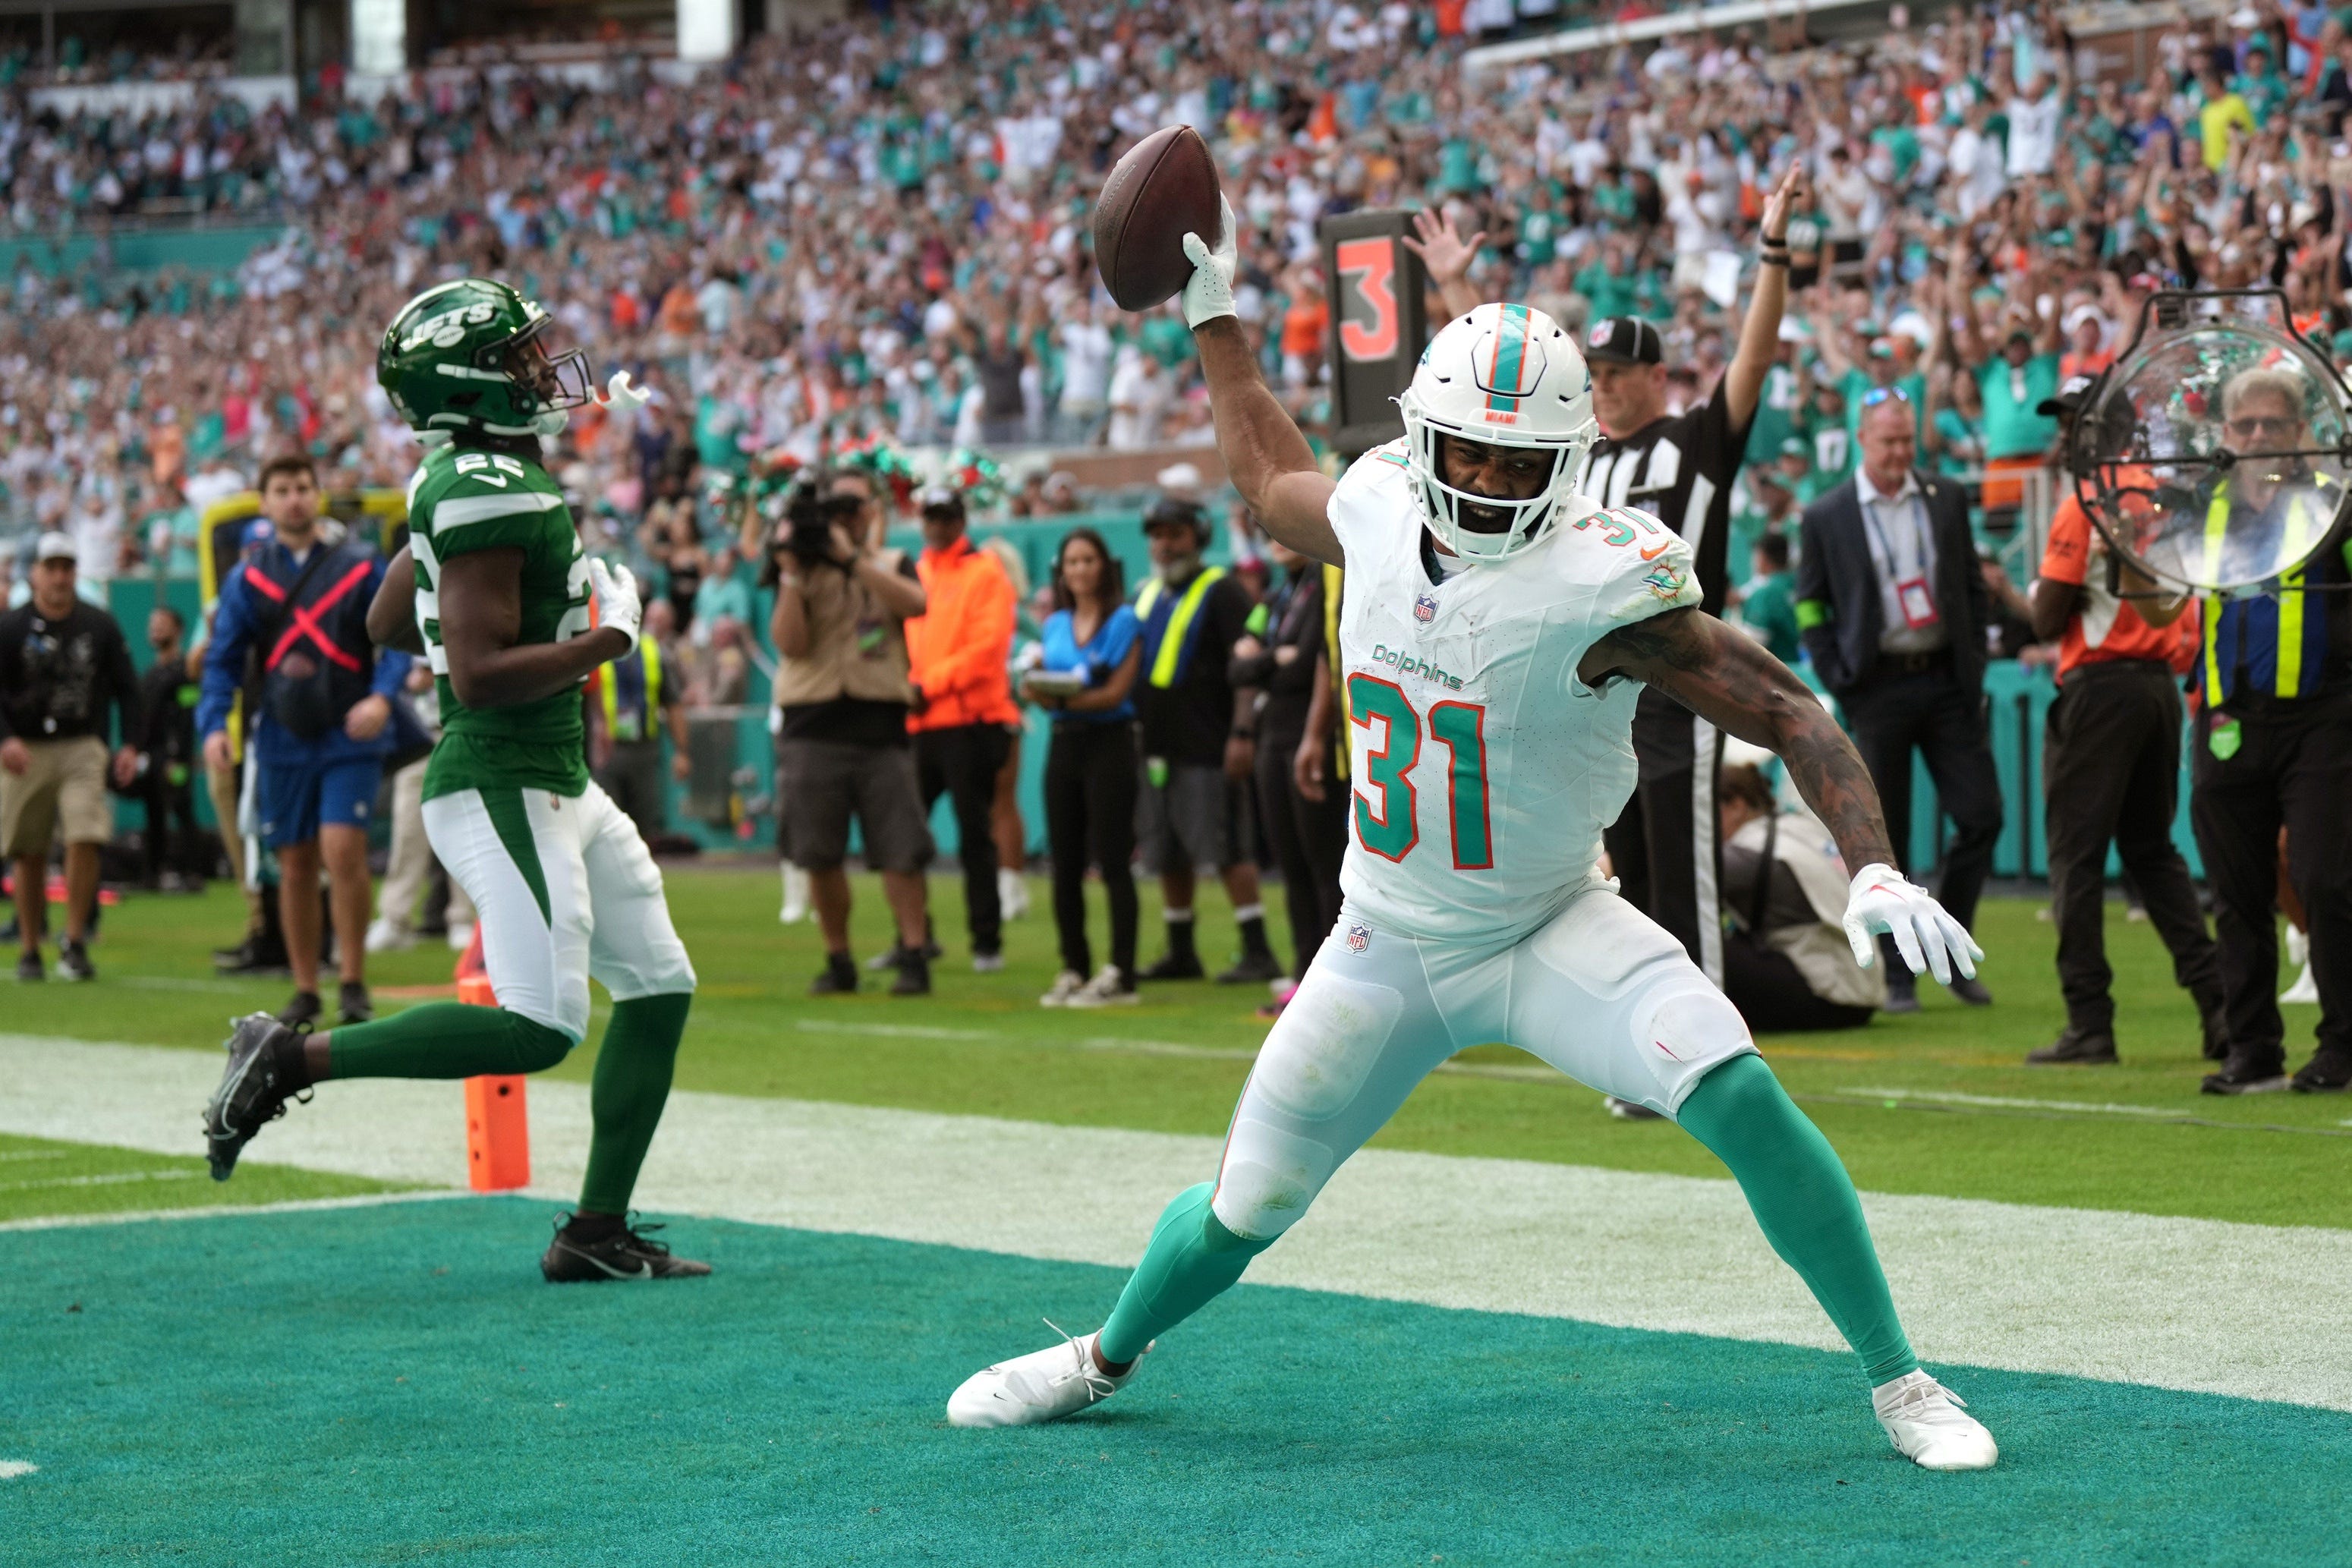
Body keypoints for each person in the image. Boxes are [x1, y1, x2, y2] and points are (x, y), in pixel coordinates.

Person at [945, 243, 1996, 1472]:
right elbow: (1268, 470)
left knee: (1740, 1093)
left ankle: (1900, 1378)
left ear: (1571, 462)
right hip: (1385, 933)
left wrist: (1867, 861)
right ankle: (1101, 1355)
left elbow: (1786, 710)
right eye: (1471, 452)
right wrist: (1213, 314)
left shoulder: (1607, 576)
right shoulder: (1382, 503)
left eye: (1520, 459)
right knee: (1248, 1204)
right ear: (1424, 438)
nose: (1490, 479)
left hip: (1552, 921)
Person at [204, 277, 707, 1283]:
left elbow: (383, 621)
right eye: (518, 354)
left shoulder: (466, 471)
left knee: (658, 986)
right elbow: (472, 672)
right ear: (468, 381)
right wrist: (605, 633)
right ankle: (285, 1056)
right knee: (536, 1026)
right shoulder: (487, 482)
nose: (541, 368)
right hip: (500, 776)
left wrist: (457, 575)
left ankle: (593, 1231)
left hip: (551, 773)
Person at [1569, 164, 1803, 999]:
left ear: (1657, 376)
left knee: (1684, 877)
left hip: (1681, 683)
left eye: (1615, 372)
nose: (1601, 383)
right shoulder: (1580, 461)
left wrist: (1772, 250)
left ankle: (1704, 1048)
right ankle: (1647, 1045)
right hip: (1603, 696)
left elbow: (1755, 355)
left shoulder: (1696, 442)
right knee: (1620, 881)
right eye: (1593, 372)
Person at [2023, 374, 2225, 1066]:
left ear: (2103, 430)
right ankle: (2218, 1006)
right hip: (2156, 690)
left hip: (2099, 686)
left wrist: (2011, 594)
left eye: (2073, 423)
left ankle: (2089, 1022)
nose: (2062, 437)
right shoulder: (2161, 496)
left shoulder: (2086, 500)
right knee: (2153, 854)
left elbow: (2048, 616)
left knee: (2074, 859)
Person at [1795, 389, 2001, 1013]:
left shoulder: (1945, 497)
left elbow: (1968, 582)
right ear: (1861, 439)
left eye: (1906, 440)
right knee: (1888, 838)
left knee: (1981, 816)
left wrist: (1974, 663)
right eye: (1887, 440)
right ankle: (1898, 974)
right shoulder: (1825, 515)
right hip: (1876, 686)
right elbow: (1810, 606)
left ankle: (1951, 947)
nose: (1898, 452)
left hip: (1944, 680)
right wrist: (1840, 674)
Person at [2175, 367, 2350, 1094]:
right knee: (2234, 890)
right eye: (2242, 426)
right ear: (2222, 434)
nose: (2255, 438)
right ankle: (2251, 1048)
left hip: (2322, 716)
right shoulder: (2200, 504)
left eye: (2271, 426)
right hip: (2223, 717)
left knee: (2324, 878)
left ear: (2299, 433)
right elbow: (2161, 604)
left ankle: (2342, 1044)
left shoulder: (2334, 503)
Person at [197, 453, 411, 1028]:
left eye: (303, 487)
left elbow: (394, 640)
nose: (294, 498)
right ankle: (306, 987)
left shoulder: (362, 566)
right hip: (283, 737)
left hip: (351, 733)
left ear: (317, 495)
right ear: (264, 502)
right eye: (282, 489)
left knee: (343, 851)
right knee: (293, 864)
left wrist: (382, 697)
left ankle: (353, 981)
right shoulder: (250, 577)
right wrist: (215, 725)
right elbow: (222, 660)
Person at [767, 468, 935, 996]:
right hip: (812, 723)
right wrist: (792, 572)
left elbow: (916, 604)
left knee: (900, 849)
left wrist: (852, 560)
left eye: (853, 505)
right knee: (818, 852)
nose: (844, 515)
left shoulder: (888, 563)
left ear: (870, 513)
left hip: (879, 724)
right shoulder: (799, 568)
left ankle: (913, 952)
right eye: (835, 507)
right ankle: (838, 958)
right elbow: (789, 644)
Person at [1130, 495, 1282, 985]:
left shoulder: (1222, 591)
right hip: (1158, 746)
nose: (1164, 546)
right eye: (1157, 536)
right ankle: (1180, 951)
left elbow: (1245, 666)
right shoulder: (1151, 593)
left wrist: (1241, 732)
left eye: (1173, 535)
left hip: (1208, 742)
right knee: (1166, 850)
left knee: (1226, 850)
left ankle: (1257, 949)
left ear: (1197, 537)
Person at [0, 531, 140, 981]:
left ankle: (75, 940)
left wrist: (131, 744)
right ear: (35, 574)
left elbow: (128, 688)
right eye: (52, 568)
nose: (60, 577)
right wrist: (5, 739)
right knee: (29, 850)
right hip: (27, 748)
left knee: (85, 834)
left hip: (83, 744)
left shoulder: (99, 624)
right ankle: (28, 947)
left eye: (67, 568)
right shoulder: (11, 627)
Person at [1024, 527, 1144, 1007]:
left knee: (1114, 859)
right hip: (1064, 743)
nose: (1079, 570)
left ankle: (1121, 972)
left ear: (1105, 566)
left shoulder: (1124, 620)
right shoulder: (1054, 625)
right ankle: (1074, 965)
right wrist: (1041, 693)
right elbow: (1034, 685)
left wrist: (1058, 700)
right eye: (1071, 562)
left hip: (1109, 743)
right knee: (1065, 861)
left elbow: (1116, 693)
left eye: (1088, 560)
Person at [905, 482, 1019, 972]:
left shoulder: (984, 572)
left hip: (967, 721)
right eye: (930, 517)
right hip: (921, 719)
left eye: (944, 517)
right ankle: (914, 936)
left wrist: (926, 683)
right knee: (904, 838)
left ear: (959, 521)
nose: (936, 526)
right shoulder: (917, 572)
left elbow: (986, 647)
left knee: (975, 836)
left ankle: (986, 941)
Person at [1229, 537, 1347, 1004]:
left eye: (1286, 531)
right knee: (1290, 864)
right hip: (1271, 739)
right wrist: (1268, 662)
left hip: (1309, 738)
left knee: (1324, 863)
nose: (1277, 540)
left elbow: (1304, 668)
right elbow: (1236, 669)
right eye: (1269, 532)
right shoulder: (1277, 596)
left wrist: (1261, 663)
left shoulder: (1323, 588)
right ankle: (1304, 975)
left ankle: (1333, 979)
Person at [1717, 759, 1881, 1032]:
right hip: (1862, 991)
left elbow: (1676, 892)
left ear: (1736, 806)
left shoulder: (1745, 854)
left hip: (1828, 997)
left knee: (1692, 943)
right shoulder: (1798, 829)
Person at [366, 662, 477, 953]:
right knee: (407, 832)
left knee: (462, 829)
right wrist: (409, 675)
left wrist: (434, 670)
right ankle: (395, 918)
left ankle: (462, 919)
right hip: (416, 737)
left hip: (459, 728)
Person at [585, 597, 688, 844]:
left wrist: (682, 751)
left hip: (644, 749)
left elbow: (673, 704)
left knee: (644, 827)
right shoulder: (595, 648)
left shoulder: (653, 651)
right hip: (607, 749)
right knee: (607, 825)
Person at [133, 603, 204, 891]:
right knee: (154, 812)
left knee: (182, 807)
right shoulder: (151, 673)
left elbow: (187, 715)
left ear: (178, 631)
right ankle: (153, 873)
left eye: (162, 624)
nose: (156, 630)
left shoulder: (185, 672)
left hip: (175, 758)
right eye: (153, 625)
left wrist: (178, 756)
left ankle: (194, 874)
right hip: (151, 757)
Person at [1735, 531, 1803, 666]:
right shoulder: (1796, 584)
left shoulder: (1766, 593)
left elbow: (1751, 646)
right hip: (1796, 667)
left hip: (1773, 674)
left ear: (1763, 557)